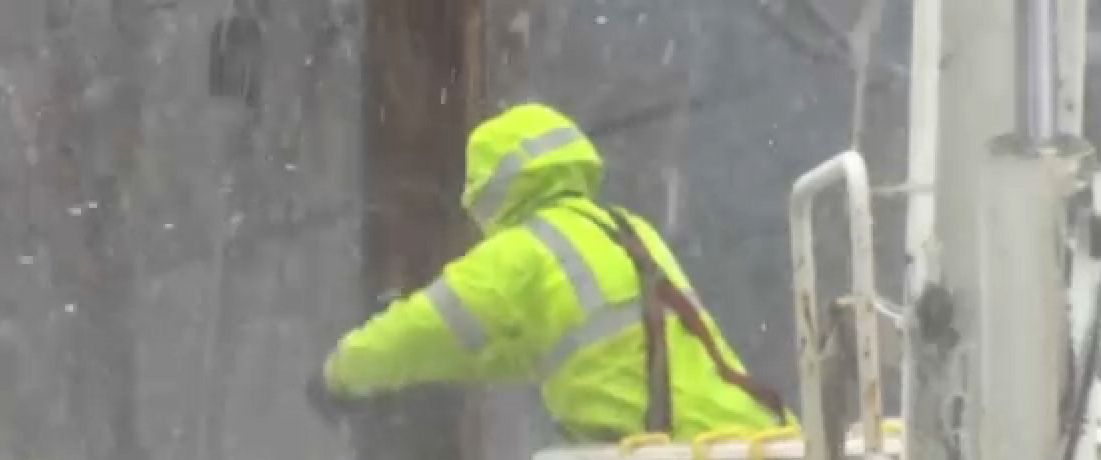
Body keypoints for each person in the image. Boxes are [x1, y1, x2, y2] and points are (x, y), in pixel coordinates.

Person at [307, 103, 795, 442]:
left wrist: (342, 374)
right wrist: (416, 374)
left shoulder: (522, 251)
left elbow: (423, 330)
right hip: (747, 430)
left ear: (489, 187)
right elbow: (533, 354)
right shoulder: (625, 228)